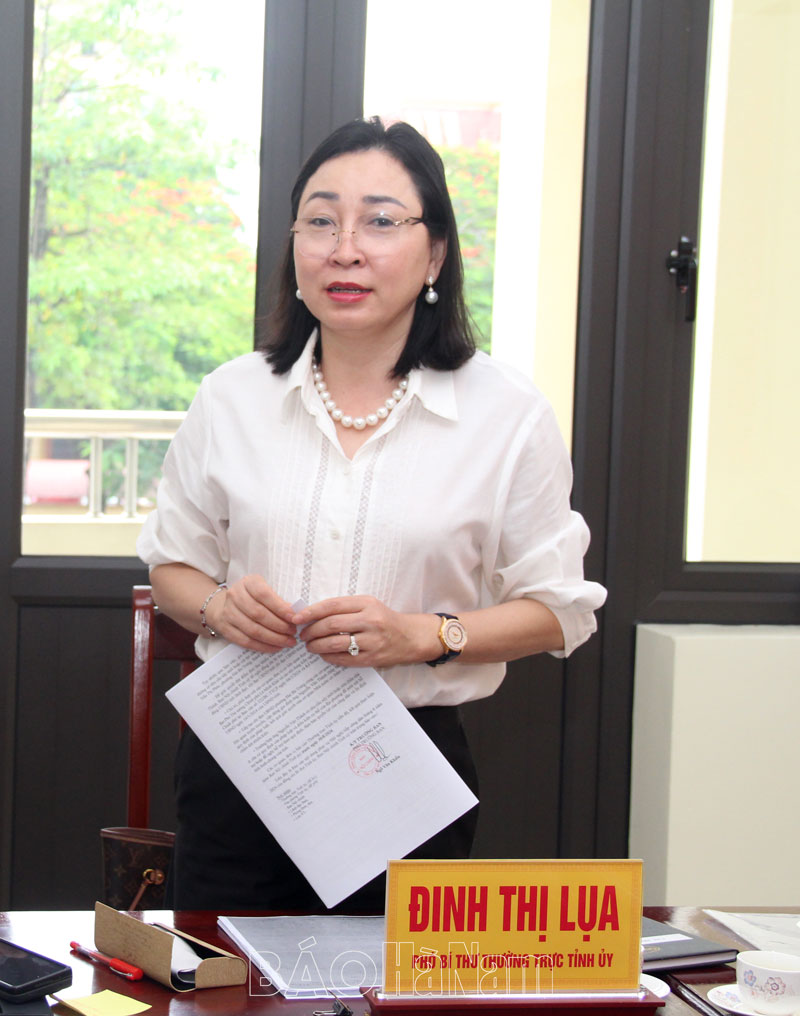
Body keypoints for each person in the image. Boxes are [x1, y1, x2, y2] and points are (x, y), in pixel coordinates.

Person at [136, 116, 606, 912]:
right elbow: (171, 566)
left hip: (405, 769)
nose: (344, 248)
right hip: (243, 761)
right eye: (320, 221)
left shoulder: (506, 413)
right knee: (223, 972)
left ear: (436, 253)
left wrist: (424, 635)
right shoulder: (231, 396)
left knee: (383, 977)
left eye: (381, 222)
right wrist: (217, 606)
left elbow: (560, 611)